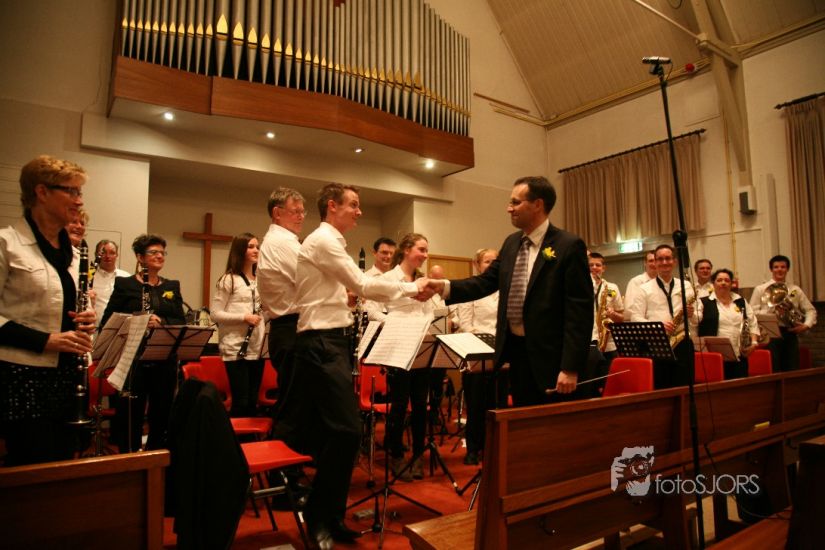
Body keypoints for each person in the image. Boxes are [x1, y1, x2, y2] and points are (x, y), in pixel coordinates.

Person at [290, 183, 430, 548]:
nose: (359, 211)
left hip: (330, 343)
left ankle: (331, 516)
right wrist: (414, 288)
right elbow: (365, 285)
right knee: (346, 431)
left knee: (340, 433)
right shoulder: (324, 240)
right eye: (353, 204)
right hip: (321, 344)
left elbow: (349, 289)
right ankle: (318, 516)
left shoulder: (330, 242)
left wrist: (344, 298)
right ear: (332, 206)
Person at [427, 176, 593, 407]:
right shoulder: (511, 243)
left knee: (551, 424)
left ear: (537, 204)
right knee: (521, 420)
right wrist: (444, 286)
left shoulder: (568, 245)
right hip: (517, 354)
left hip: (553, 361)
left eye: (516, 202)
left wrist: (570, 368)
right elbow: (485, 282)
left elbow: (580, 312)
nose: (509, 208)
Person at [0, 155, 96, 466]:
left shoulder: (73, 252)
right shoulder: (7, 244)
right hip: (22, 375)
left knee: (63, 460)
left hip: (66, 374)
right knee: (33, 463)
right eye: (72, 191)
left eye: (80, 192)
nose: (79, 201)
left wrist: (88, 316)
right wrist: (46, 340)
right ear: (41, 192)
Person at [368, 233, 443, 481]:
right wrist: (394, 323)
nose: (425, 255)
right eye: (421, 249)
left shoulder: (423, 280)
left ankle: (418, 455)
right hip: (399, 347)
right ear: (407, 250)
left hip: (420, 347)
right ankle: (397, 454)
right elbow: (371, 309)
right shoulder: (388, 279)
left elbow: (431, 311)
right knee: (399, 405)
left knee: (421, 404)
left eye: (426, 250)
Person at [101, 234, 185, 452]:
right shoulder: (125, 284)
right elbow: (108, 322)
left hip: (164, 359)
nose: (159, 256)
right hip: (133, 360)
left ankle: (156, 457)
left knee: (162, 413)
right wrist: (138, 320)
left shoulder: (172, 286)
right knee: (131, 413)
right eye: (153, 252)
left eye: (162, 253)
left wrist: (162, 321)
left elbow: (180, 320)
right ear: (140, 257)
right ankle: (129, 459)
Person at [257, 187, 306, 441]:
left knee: (296, 400)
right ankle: (285, 458)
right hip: (291, 328)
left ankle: (290, 455)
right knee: (293, 404)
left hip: (289, 328)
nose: (301, 216)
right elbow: (309, 280)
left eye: (302, 212)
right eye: (295, 211)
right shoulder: (281, 242)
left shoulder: (285, 241)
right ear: (277, 213)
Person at [452, 248, 507, 465]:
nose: (491, 265)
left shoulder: (505, 288)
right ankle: (473, 448)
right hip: (476, 353)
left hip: (500, 353)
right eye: (487, 261)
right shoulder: (472, 289)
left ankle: (496, 448)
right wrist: (483, 340)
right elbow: (465, 324)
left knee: (498, 404)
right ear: (477, 265)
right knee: (475, 405)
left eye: (495, 261)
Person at [627, 244, 700, 388]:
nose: (664, 262)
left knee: (685, 386)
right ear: (655, 262)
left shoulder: (686, 286)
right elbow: (635, 317)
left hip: (683, 342)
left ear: (675, 261)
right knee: (661, 386)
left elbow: (698, 317)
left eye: (668, 258)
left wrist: (692, 315)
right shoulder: (643, 289)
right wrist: (658, 326)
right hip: (657, 344)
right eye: (660, 259)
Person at [210, 233, 266, 417]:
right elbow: (215, 314)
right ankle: (235, 434)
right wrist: (244, 317)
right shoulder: (229, 279)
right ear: (240, 250)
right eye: (250, 247)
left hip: (256, 347)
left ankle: (250, 435)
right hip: (235, 346)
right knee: (241, 401)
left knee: (252, 401)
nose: (256, 250)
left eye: (257, 246)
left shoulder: (260, 280)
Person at [749, 255, 817, 371]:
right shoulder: (761, 289)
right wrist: (772, 311)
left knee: (792, 368)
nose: (779, 270)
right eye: (776, 267)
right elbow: (752, 313)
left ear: (787, 269)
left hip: (790, 333)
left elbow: (811, 310)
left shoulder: (795, 290)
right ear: (771, 269)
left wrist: (806, 325)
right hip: (769, 334)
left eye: (783, 267)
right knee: (774, 368)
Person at [697, 268, 759, 379]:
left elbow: (752, 322)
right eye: (719, 280)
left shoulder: (741, 301)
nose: (723, 283)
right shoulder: (703, 302)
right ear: (713, 283)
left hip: (740, 354)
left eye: (727, 280)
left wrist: (754, 343)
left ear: (731, 284)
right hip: (714, 357)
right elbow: (695, 322)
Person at [91, 240, 131, 325]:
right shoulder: (89, 277)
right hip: (94, 328)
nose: (107, 256)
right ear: (96, 254)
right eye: (103, 252)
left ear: (117, 255)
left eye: (112, 253)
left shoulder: (126, 277)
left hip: (119, 328)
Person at [623, 250, 656, 321]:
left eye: (656, 260)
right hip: (644, 324)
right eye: (651, 261)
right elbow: (629, 310)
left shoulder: (663, 283)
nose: (654, 263)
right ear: (645, 263)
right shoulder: (635, 282)